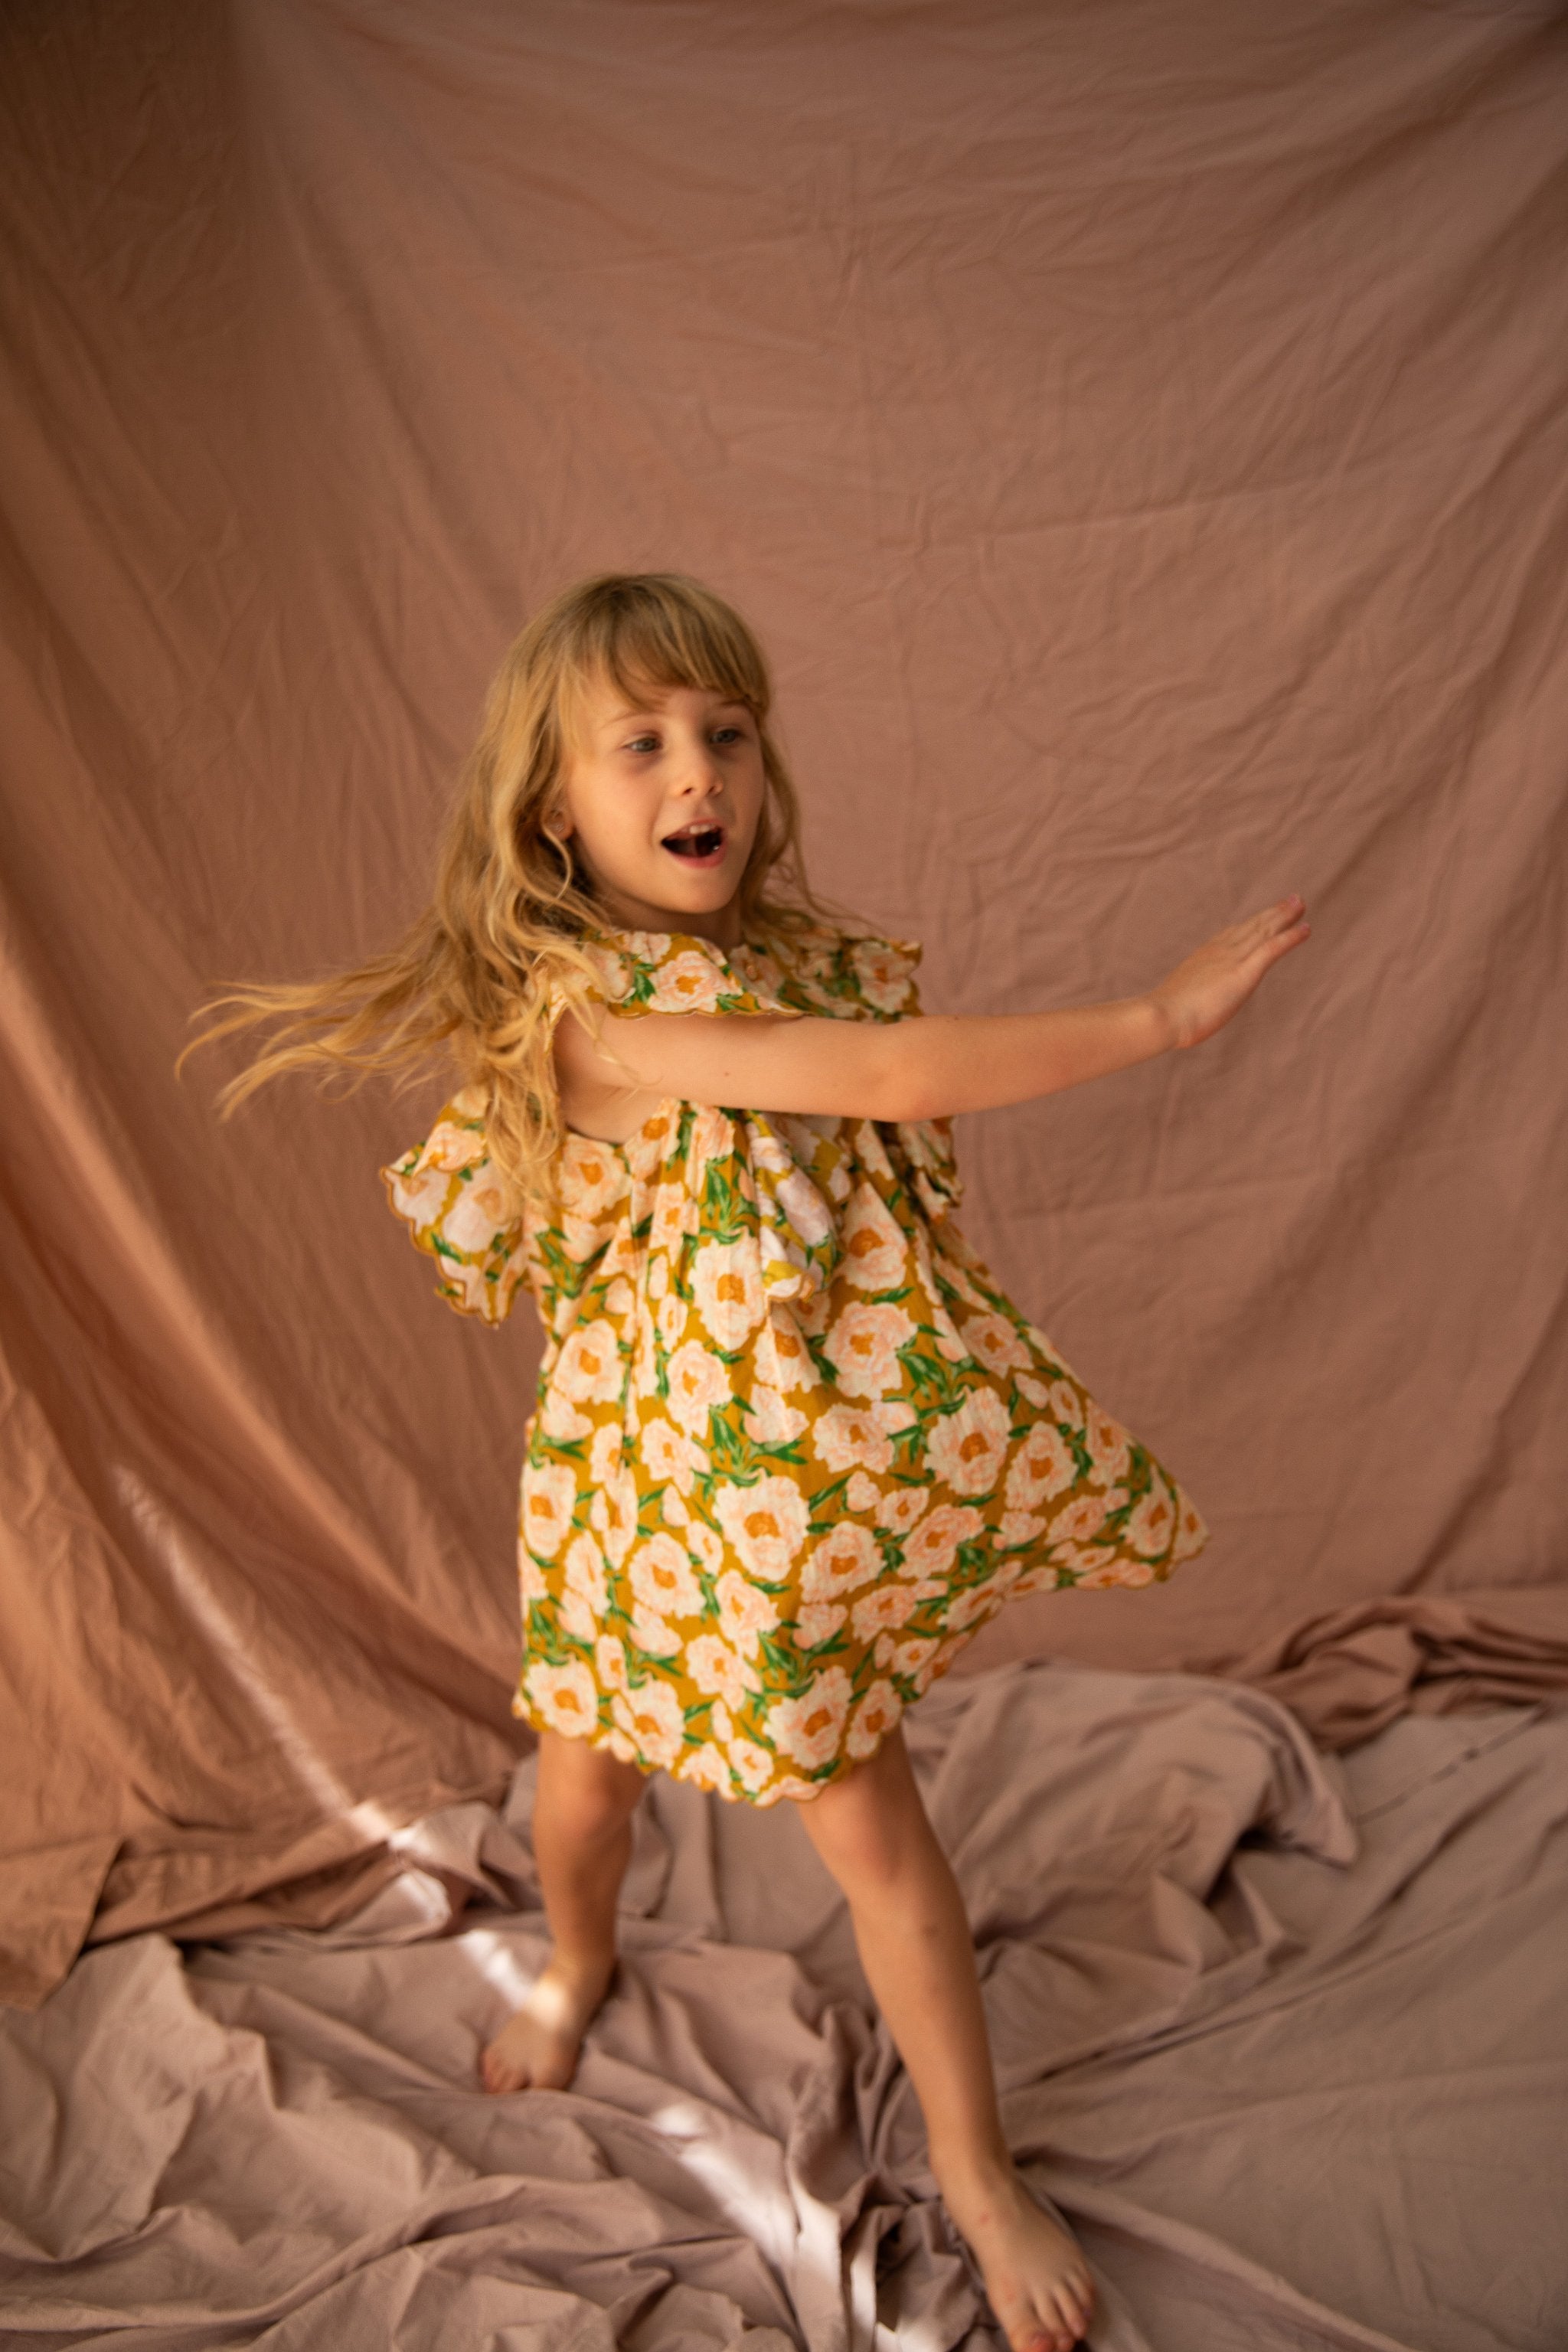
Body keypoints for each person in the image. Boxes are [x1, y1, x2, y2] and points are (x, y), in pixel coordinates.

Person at [197, 571, 1308, 2352]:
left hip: (790, 1514)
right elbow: (879, 1079)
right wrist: (1149, 1024)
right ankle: (572, 1958)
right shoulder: (598, 1017)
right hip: (644, 1510)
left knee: (873, 1828)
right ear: (555, 806)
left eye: (722, 730)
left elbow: (856, 1127)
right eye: (637, 743)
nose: (694, 767)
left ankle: (977, 2168)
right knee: (585, 1781)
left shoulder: (777, 957)